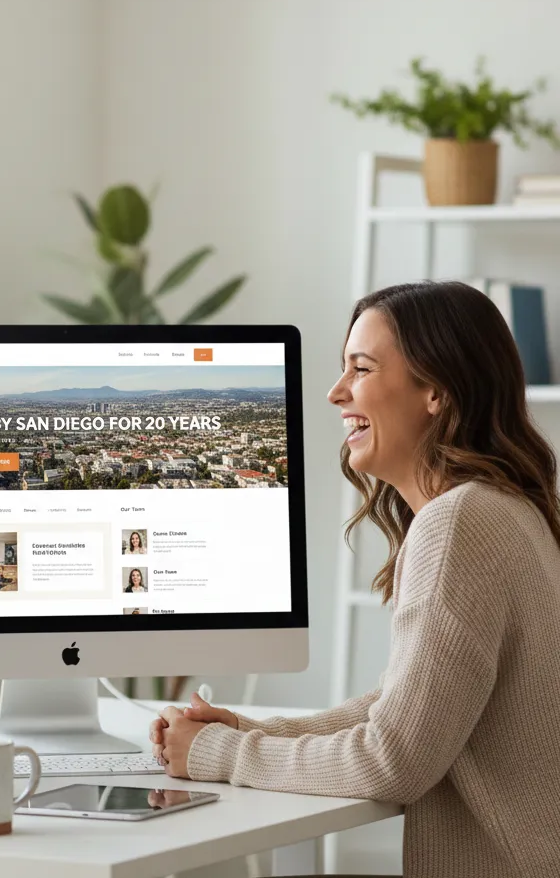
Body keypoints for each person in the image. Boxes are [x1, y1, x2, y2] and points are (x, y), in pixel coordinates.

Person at [150, 282, 560, 878]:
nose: (335, 391)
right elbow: (411, 703)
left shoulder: (459, 522)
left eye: (360, 369)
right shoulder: (510, 510)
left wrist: (223, 752)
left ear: (436, 391)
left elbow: (393, 761)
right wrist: (260, 730)